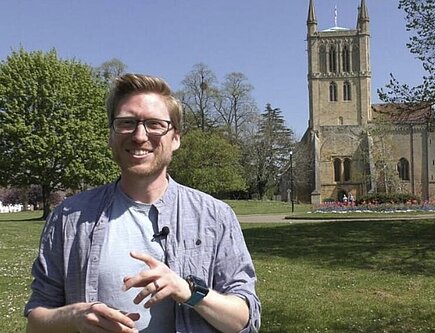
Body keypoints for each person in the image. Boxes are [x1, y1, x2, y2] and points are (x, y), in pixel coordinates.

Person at [24, 73, 261, 333]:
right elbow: (36, 322)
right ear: (111, 136)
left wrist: (188, 291)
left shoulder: (215, 216)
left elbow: (243, 319)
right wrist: (75, 316)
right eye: (126, 122)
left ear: (176, 138)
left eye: (155, 124)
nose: (139, 135)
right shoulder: (68, 218)